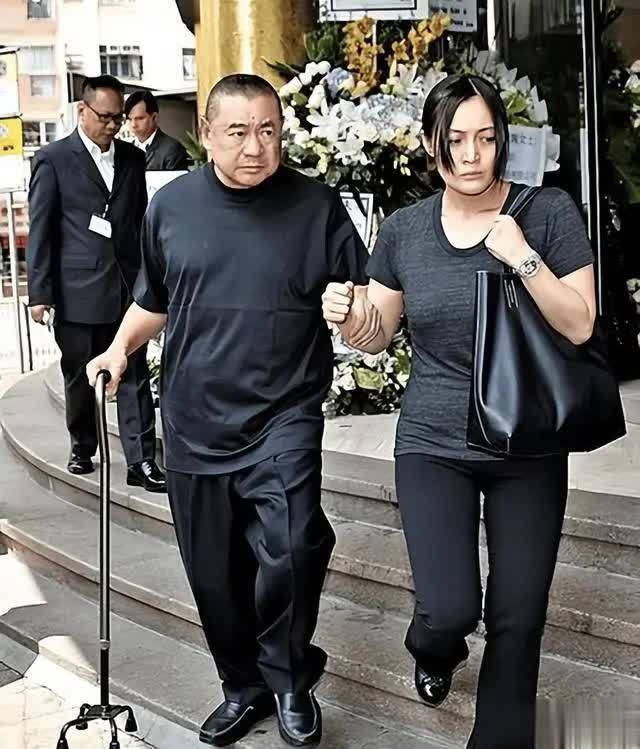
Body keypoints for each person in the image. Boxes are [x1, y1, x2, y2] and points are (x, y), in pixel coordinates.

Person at [86, 73, 374, 747]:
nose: (254, 146)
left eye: (268, 130)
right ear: (207, 134)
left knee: (295, 546)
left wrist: (356, 313)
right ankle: (243, 687)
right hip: (194, 418)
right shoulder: (171, 207)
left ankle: (290, 677)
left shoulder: (316, 206)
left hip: (284, 414)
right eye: (238, 131)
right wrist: (119, 349)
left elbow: (366, 298)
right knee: (214, 576)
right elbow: (154, 299)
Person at [322, 74, 596, 749]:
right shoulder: (405, 231)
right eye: (456, 140)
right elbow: (378, 334)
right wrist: (349, 316)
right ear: (430, 143)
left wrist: (523, 257)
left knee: (517, 617)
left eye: (486, 138)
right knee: (448, 607)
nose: (472, 155)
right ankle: (434, 645)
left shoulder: (548, 212)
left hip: (528, 441)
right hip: (434, 441)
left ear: (503, 141)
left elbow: (581, 323)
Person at [27, 74, 165, 492]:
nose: (112, 125)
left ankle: (141, 461)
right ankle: (83, 445)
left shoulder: (133, 158)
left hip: (127, 287)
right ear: (82, 111)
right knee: (79, 374)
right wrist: (40, 293)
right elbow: (41, 229)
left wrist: (150, 279)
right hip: (77, 290)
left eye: (118, 118)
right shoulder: (53, 158)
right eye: (104, 116)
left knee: (135, 371)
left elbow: (139, 222)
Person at [125, 90, 189, 171]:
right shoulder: (125, 150)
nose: (133, 125)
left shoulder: (173, 149)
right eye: (130, 119)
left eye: (140, 118)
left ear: (154, 117)